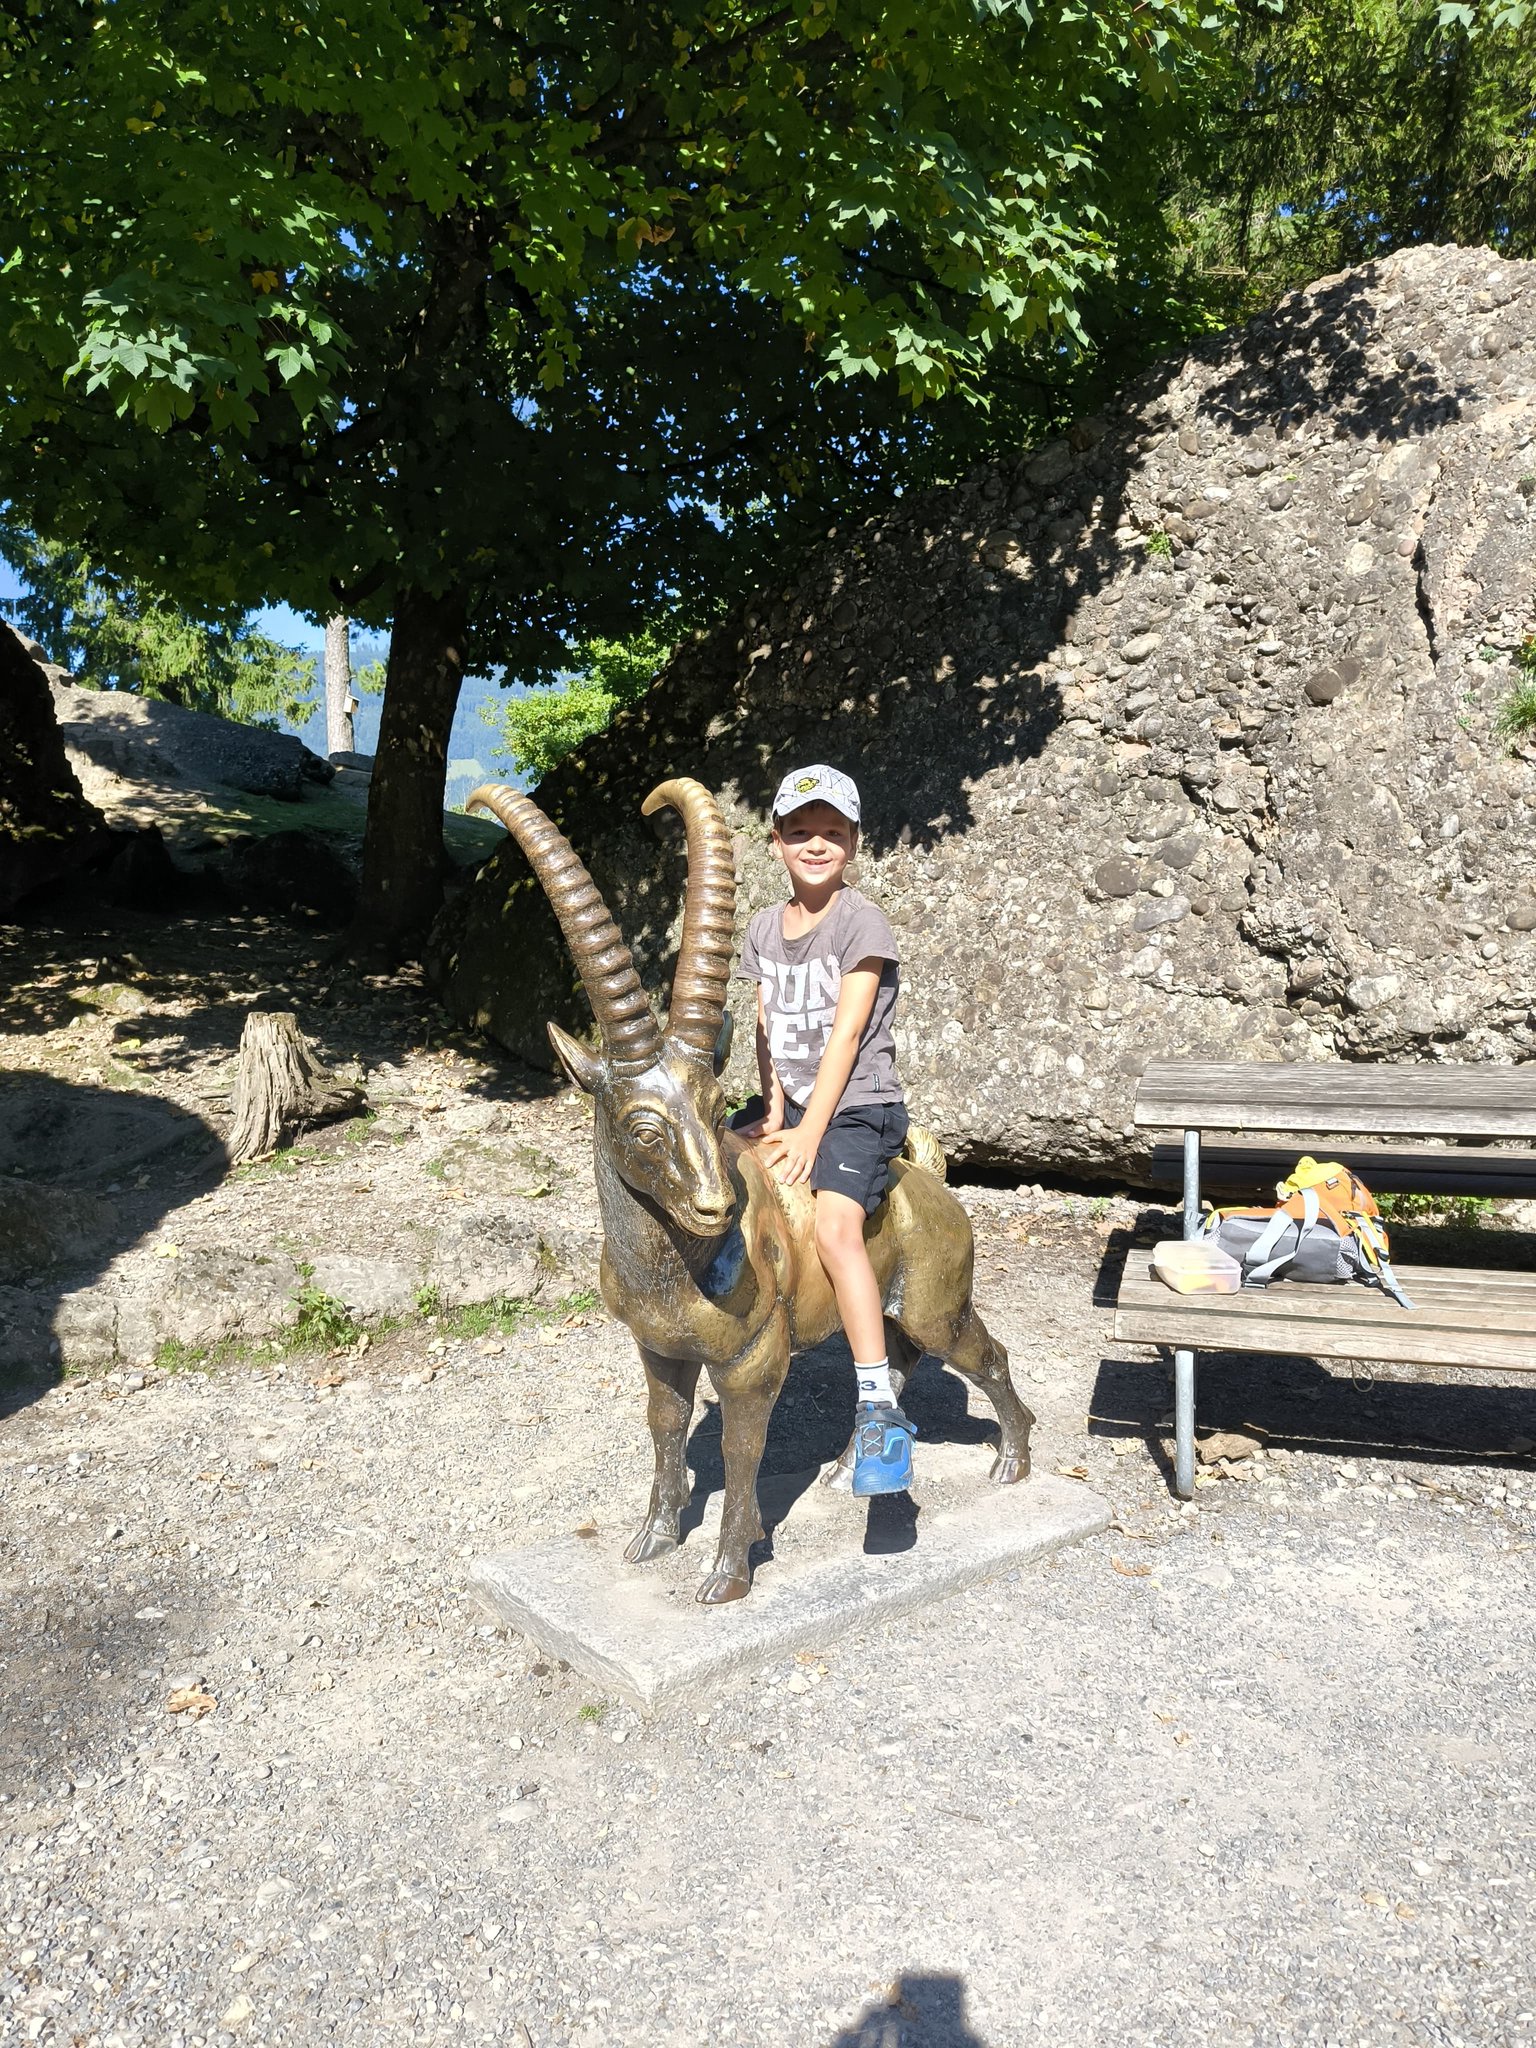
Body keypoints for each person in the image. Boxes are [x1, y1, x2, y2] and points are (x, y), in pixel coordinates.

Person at [734, 764, 915, 1495]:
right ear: (776, 841)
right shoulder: (761, 929)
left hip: (860, 1105)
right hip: (799, 1105)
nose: (817, 844)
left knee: (837, 1227)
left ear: (853, 844)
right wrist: (774, 1115)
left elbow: (846, 1036)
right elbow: (766, 1027)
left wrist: (810, 1137)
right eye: (801, 831)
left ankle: (878, 1405)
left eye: (832, 833)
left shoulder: (859, 921)